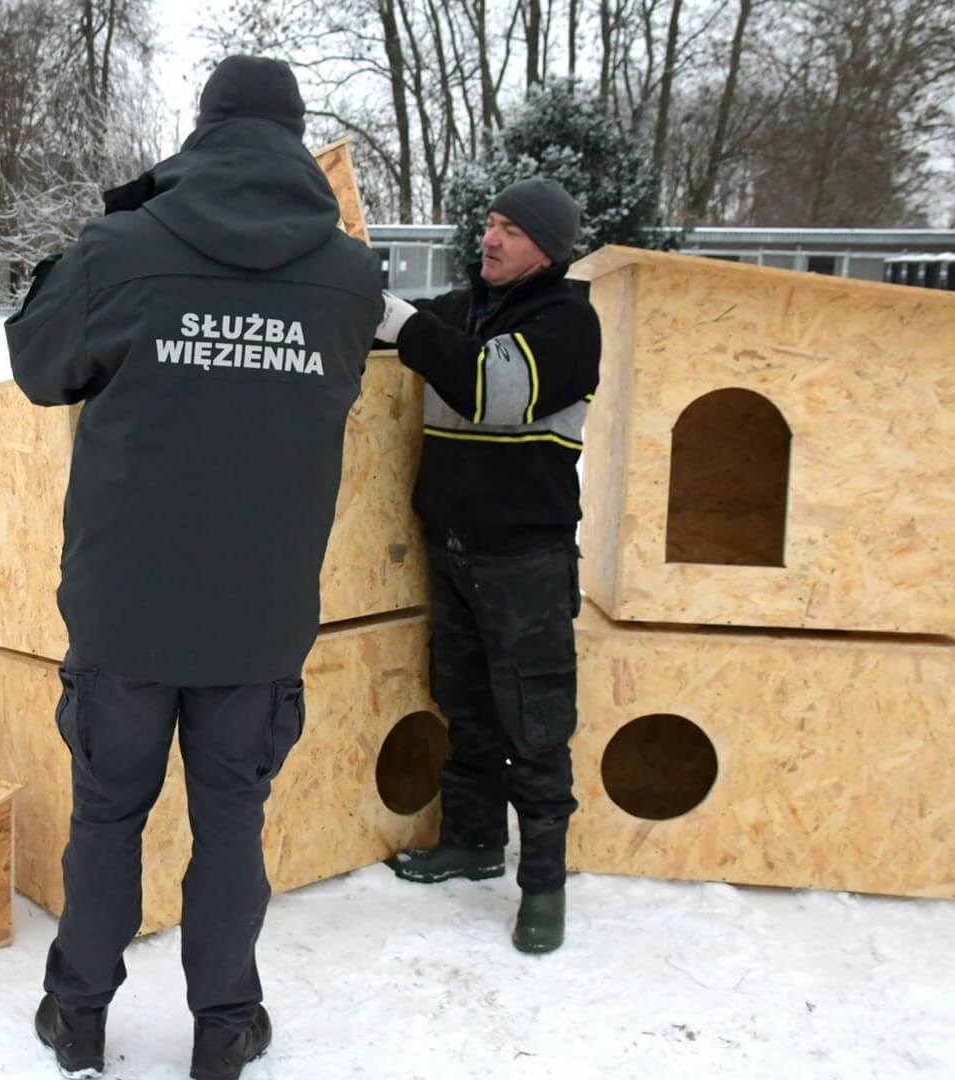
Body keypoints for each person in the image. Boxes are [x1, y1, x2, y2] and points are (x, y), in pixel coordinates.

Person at [4, 55, 381, 1080]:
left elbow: (37, 363)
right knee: (231, 828)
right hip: (255, 619)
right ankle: (225, 1025)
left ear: (204, 130)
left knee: (107, 817)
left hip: (126, 608)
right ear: (293, 137)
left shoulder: (122, 249)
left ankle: (77, 1012)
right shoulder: (350, 277)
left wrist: (111, 242)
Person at [373, 177, 600, 955]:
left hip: (526, 557)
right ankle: (473, 840)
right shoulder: (462, 310)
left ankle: (543, 887)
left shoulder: (570, 323)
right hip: (453, 547)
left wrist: (402, 324)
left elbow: (491, 390)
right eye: (490, 224)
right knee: (464, 703)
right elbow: (396, 336)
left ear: (549, 248)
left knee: (535, 722)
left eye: (511, 229)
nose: (491, 239)